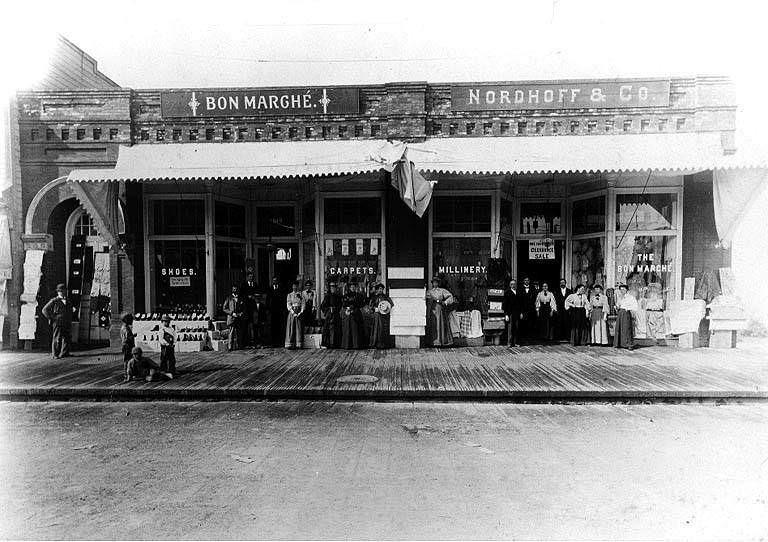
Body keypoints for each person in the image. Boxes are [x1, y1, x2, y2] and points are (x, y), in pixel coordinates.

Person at [41, 283, 73, 359]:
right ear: (58, 292)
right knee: (57, 338)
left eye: (63, 291)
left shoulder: (67, 300)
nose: (62, 292)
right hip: (57, 322)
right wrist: (52, 318)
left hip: (66, 322)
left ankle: (65, 353)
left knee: (67, 337)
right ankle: (55, 354)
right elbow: (44, 310)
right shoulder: (54, 301)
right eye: (60, 291)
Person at [426, 277, 454, 347]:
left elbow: (450, 297)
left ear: (438, 283)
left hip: (440, 310)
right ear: (432, 283)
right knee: (433, 325)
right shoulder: (429, 292)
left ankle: (441, 341)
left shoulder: (442, 291)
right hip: (432, 310)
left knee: (440, 324)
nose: (435, 284)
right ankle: (433, 342)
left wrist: (445, 302)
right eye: (434, 282)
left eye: (436, 282)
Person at [369, 283, 394, 349]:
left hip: (383, 316)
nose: (380, 290)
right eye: (379, 289)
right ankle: (374, 343)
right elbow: (370, 306)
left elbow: (391, 304)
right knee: (375, 329)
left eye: (381, 289)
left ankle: (382, 344)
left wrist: (386, 309)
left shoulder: (385, 297)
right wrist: (374, 309)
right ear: (377, 290)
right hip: (376, 315)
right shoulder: (374, 297)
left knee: (382, 329)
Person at [241, 272, 262, 348]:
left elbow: (258, 294)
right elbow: (242, 295)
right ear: (247, 277)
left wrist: (255, 296)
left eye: (252, 277)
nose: (251, 278)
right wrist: (247, 297)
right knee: (246, 326)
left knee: (255, 325)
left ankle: (256, 342)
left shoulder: (255, 285)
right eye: (250, 277)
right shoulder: (244, 285)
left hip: (254, 308)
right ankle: (246, 343)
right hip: (246, 308)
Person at [340, 282, 364, 349]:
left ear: (355, 288)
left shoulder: (358, 295)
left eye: (354, 287)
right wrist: (347, 308)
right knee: (347, 328)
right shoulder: (346, 295)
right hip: (348, 313)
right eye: (351, 287)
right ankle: (347, 345)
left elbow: (361, 304)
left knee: (355, 328)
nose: (352, 288)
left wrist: (355, 308)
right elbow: (343, 303)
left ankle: (356, 345)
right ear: (349, 288)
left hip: (356, 313)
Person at [614, 284, 638, 350]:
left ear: (626, 290)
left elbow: (635, 306)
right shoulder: (620, 297)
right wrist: (617, 307)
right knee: (619, 328)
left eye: (623, 289)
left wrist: (628, 308)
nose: (622, 291)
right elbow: (618, 305)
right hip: (620, 313)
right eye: (621, 290)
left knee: (626, 328)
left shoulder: (630, 297)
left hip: (626, 313)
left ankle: (628, 344)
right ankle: (620, 343)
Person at [222, 285, 246, 351]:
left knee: (239, 332)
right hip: (232, 318)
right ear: (232, 290)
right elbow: (224, 308)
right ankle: (230, 347)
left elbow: (244, 308)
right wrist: (232, 313)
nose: (235, 291)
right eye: (234, 289)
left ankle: (240, 346)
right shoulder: (229, 298)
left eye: (236, 289)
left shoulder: (241, 298)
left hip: (239, 318)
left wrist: (241, 313)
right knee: (231, 332)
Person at [320, 282, 343, 348]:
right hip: (329, 315)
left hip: (336, 314)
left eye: (334, 288)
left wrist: (336, 309)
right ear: (330, 288)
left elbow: (340, 305)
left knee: (336, 328)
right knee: (328, 328)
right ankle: (328, 343)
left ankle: (335, 343)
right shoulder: (327, 296)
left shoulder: (338, 296)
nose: (333, 289)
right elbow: (322, 306)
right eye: (331, 288)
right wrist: (328, 310)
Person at [503, 279, 523, 347]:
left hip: (517, 313)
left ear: (516, 285)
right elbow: (505, 305)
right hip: (510, 313)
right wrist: (506, 315)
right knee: (510, 328)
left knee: (517, 328)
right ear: (509, 285)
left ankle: (516, 342)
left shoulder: (519, 292)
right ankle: (509, 343)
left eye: (514, 284)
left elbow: (521, 304)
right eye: (511, 284)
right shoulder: (507, 292)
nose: (513, 285)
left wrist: (521, 313)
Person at [285, 281, 305, 349]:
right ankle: (291, 344)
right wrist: (293, 312)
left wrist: (301, 312)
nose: (295, 287)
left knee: (298, 327)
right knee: (291, 327)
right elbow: (288, 304)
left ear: (298, 286)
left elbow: (303, 303)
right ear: (292, 287)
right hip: (292, 313)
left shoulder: (301, 295)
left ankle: (298, 344)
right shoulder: (289, 295)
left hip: (299, 312)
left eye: (296, 286)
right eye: (294, 286)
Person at [267, 277, 285, 346]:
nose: (275, 281)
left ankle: (280, 341)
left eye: (276, 280)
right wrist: (268, 309)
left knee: (280, 325)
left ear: (277, 281)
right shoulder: (270, 288)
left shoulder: (281, 288)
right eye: (273, 280)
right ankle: (273, 342)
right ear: (272, 281)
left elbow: (283, 298)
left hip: (279, 310)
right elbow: (268, 299)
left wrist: (283, 308)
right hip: (272, 310)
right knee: (273, 326)